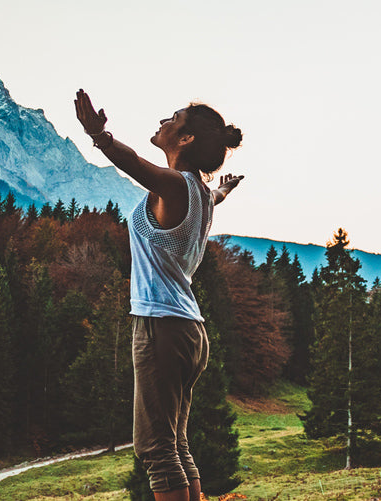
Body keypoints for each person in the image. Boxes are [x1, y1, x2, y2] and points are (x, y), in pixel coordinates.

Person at [74, 89, 243, 501]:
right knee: (175, 444)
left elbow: (134, 165)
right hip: (188, 330)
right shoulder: (201, 194)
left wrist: (100, 137)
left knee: (155, 449)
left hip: (161, 328)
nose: (162, 120)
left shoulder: (178, 187)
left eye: (173, 118)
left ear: (185, 140)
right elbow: (212, 195)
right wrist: (224, 190)